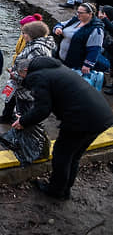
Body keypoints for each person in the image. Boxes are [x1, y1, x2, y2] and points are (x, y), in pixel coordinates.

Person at [13, 55, 113, 200]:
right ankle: (65, 189)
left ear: (26, 70)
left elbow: (42, 109)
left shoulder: (38, 77)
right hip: (101, 116)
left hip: (80, 119)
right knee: (74, 155)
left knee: (62, 155)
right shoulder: (56, 68)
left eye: (20, 73)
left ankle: (56, 191)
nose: (19, 76)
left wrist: (23, 121)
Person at [0, 20, 54, 125]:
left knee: (24, 112)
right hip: (20, 85)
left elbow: (31, 72)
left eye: (24, 33)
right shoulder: (33, 44)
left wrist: (15, 75)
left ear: (31, 34)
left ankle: (25, 134)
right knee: (13, 103)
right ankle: (7, 117)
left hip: (26, 89)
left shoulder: (38, 49)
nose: (22, 35)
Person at [53, 3, 106, 72]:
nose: (78, 14)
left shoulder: (96, 30)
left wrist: (87, 65)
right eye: (77, 12)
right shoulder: (75, 20)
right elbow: (61, 24)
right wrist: (58, 28)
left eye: (81, 13)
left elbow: (95, 49)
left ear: (90, 14)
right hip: (60, 59)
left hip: (75, 65)